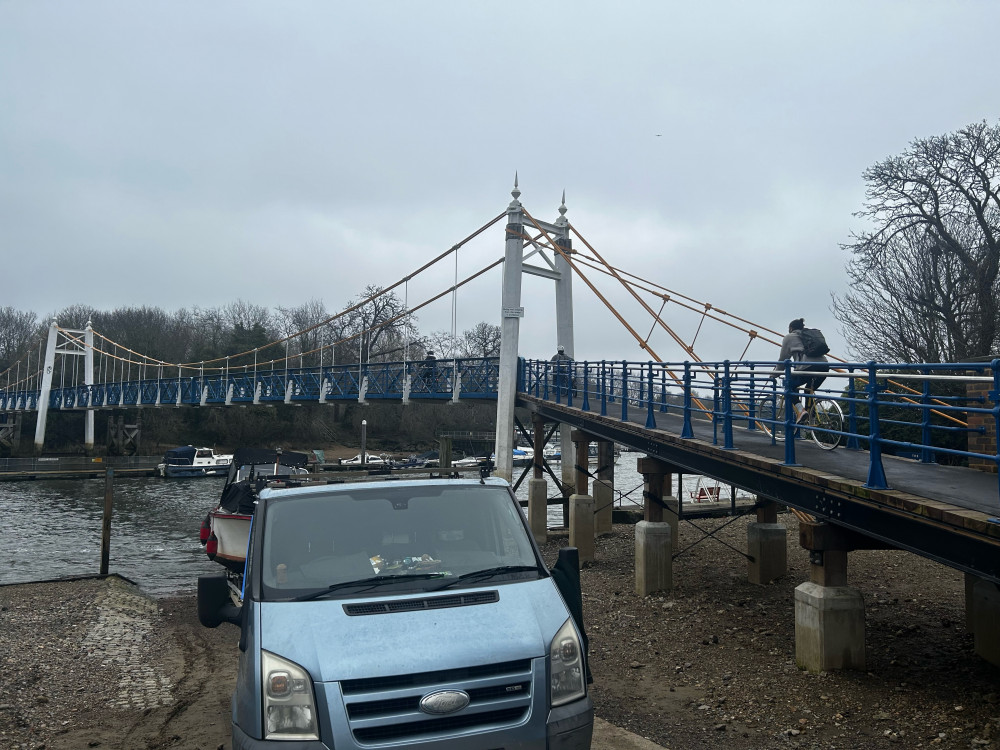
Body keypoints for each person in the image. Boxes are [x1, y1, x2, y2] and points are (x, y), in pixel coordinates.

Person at [769, 318, 829, 413]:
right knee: (808, 390)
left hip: (808, 367)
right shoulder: (809, 336)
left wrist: (774, 374)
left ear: (791, 328)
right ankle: (810, 418)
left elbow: (783, 359)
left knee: (789, 385)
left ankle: (801, 411)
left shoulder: (789, 337)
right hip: (824, 366)